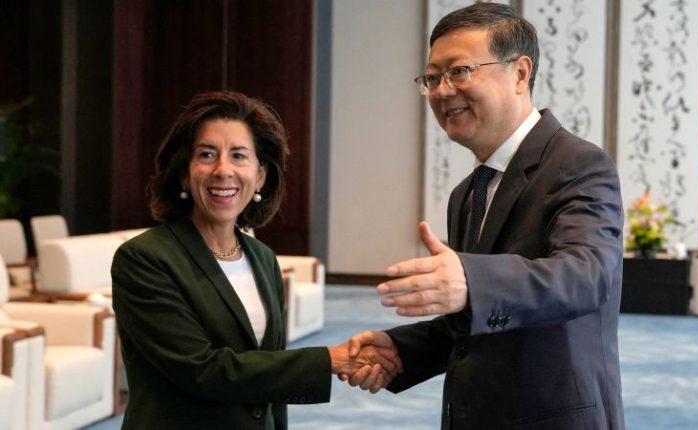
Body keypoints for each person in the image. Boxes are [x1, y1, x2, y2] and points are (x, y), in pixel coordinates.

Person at [346, 3, 625, 429]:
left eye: (460, 71)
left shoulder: (578, 163)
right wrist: (400, 350)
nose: (442, 91)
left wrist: (472, 281)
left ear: (520, 73)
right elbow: (476, 318)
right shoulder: (467, 193)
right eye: (432, 78)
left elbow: (586, 276)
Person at [111, 91, 400, 430]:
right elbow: (200, 370)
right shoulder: (145, 258)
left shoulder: (262, 258)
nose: (223, 170)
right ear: (184, 173)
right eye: (206, 155)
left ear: (260, 175)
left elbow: (270, 375)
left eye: (239, 155)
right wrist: (328, 361)